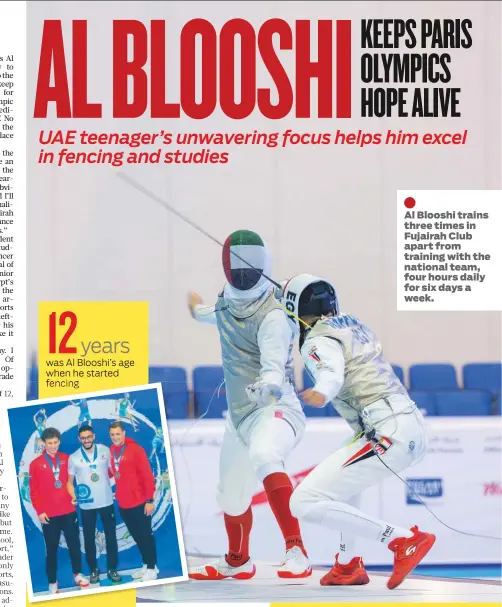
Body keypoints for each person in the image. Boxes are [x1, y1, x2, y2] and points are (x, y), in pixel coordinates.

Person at [280, 274, 436, 589]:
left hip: (387, 431)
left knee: (303, 501)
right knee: (345, 487)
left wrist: (322, 391)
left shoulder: (317, 340)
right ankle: (348, 564)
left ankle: (402, 540)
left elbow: (331, 372)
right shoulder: (352, 325)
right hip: (404, 424)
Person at [187, 229, 311, 581]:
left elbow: (273, 366)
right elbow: (209, 313)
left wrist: (269, 388)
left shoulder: (273, 314)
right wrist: (194, 308)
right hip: (240, 415)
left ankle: (296, 550)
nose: (242, 273)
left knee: (266, 455)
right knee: (230, 495)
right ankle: (238, 561)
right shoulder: (226, 300)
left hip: (276, 409)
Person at [28, 427, 90, 594]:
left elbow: (74, 481)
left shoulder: (67, 458)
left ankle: (77, 574)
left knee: (75, 545)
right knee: (52, 549)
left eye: (55, 442)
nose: (53, 446)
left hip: (68, 511)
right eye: (50, 443)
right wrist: (40, 511)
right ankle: (52, 583)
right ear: (43, 443)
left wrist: (75, 496)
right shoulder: (35, 464)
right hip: (49, 515)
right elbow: (33, 491)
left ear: (59, 441)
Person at [67, 425, 121, 585]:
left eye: (89, 436)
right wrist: (74, 496)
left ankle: (112, 569)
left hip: (106, 501)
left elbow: (116, 472)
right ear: (79, 439)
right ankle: (93, 570)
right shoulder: (74, 457)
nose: (86, 440)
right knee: (89, 539)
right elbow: (69, 483)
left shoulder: (105, 450)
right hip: (87, 505)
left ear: (94, 436)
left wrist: (121, 488)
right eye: (83, 438)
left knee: (111, 537)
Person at [109, 421, 158, 582]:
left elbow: (147, 476)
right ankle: (145, 564)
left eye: (118, 434)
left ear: (124, 433)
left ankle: (152, 568)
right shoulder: (111, 451)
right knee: (137, 536)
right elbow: (114, 473)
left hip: (139, 502)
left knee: (145, 536)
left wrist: (150, 500)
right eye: (112, 434)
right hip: (124, 503)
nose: (115, 437)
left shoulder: (136, 450)